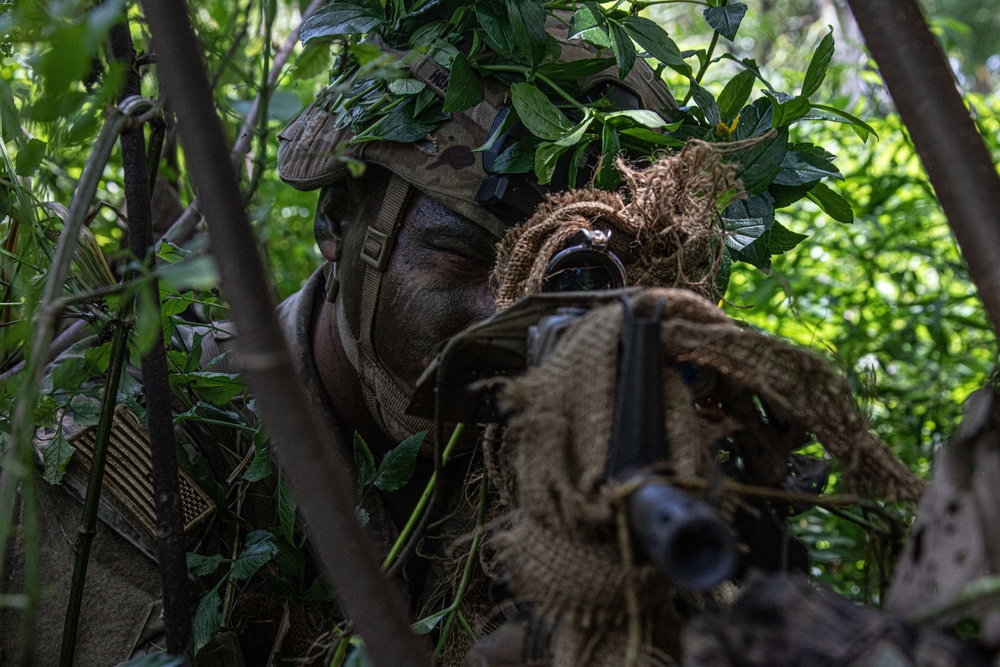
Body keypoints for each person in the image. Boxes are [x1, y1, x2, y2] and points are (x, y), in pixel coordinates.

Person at [0, 16, 677, 667]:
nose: (507, 316)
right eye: (467, 255)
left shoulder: (598, 465)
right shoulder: (142, 444)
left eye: (558, 282)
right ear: (338, 220)